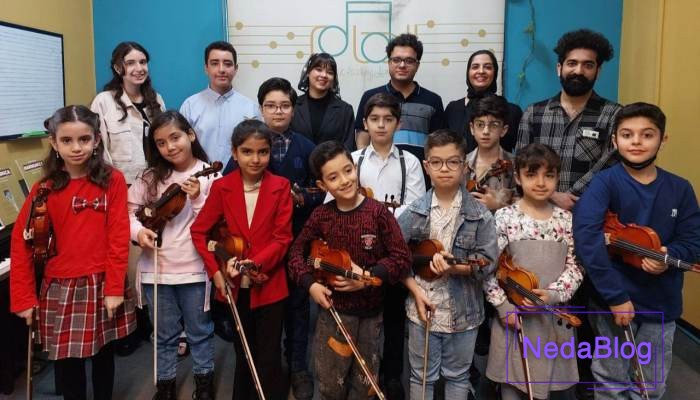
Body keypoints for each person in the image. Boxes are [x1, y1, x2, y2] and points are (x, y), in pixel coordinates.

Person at [573, 103, 700, 399]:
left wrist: (668, 256)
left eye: (647, 135)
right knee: (611, 379)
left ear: (662, 140)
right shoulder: (604, 183)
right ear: (615, 140)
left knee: (651, 384)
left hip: (661, 301)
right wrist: (616, 297)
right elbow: (588, 240)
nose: (637, 142)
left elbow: (693, 240)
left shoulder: (680, 188)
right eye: (627, 134)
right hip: (614, 298)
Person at [11, 105, 136, 400]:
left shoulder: (113, 180)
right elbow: (21, 242)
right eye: (67, 140)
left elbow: (118, 236)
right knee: (67, 364)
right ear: (54, 143)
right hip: (61, 285)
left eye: (84, 139)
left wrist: (114, 288)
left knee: (104, 355)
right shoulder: (44, 188)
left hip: (102, 281)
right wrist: (24, 298)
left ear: (96, 140)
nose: (76, 148)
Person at [287, 140, 412, 399]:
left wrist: (367, 277)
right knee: (331, 383)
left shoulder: (378, 213)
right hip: (333, 314)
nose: (344, 180)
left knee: (365, 383)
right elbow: (295, 254)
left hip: (371, 314)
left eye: (347, 170)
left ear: (355, 167)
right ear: (322, 185)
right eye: (333, 177)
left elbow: (401, 257)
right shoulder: (321, 215)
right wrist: (311, 285)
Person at [191, 119, 293, 400]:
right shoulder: (222, 187)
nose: (255, 159)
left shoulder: (281, 186)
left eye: (263, 152)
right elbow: (198, 232)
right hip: (234, 287)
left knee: (269, 354)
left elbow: (282, 238)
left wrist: (253, 263)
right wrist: (215, 272)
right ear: (234, 153)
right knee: (243, 352)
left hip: (270, 286)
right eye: (247, 152)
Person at [398, 129, 498, 399]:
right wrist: (416, 291)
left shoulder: (480, 215)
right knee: (421, 377)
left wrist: (454, 268)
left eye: (453, 162)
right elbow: (397, 259)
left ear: (464, 167)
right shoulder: (413, 212)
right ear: (426, 166)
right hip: (421, 310)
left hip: (464, 313)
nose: (444, 169)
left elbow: (488, 263)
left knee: (458, 376)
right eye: (437, 162)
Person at [128, 111, 218, 400]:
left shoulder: (210, 174)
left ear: (190, 135)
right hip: (156, 269)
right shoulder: (150, 177)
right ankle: (164, 384)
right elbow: (129, 212)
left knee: (199, 331)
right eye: (161, 143)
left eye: (175, 137)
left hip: (194, 268)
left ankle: (204, 382)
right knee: (164, 334)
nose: (170, 147)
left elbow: (215, 224)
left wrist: (198, 198)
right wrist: (139, 232)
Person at [484, 143, 584, 399]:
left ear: (557, 178)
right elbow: (488, 269)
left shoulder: (566, 220)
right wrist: (502, 306)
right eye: (531, 174)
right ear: (518, 177)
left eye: (548, 175)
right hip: (514, 318)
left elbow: (575, 266)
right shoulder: (504, 217)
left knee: (548, 387)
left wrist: (553, 295)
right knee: (511, 386)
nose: (540, 182)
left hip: (552, 318)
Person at [257, 77, 323, 400]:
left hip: (298, 240)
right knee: (268, 309)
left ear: (294, 109)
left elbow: (323, 190)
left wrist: (303, 198)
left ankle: (298, 367)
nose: (278, 111)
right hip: (261, 244)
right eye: (271, 105)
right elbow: (229, 185)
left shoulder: (306, 147)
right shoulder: (252, 144)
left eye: (284, 105)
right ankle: (270, 370)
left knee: (298, 307)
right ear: (261, 109)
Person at [516, 29, 621, 211]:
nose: (578, 71)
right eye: (572, 63)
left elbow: (610, 166)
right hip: (538, 213)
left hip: (590, 212)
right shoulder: (534, 113)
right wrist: (552, 195)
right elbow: (520, 165)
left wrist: (570, 197)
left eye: (588, 65)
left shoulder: (614, 114)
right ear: (559, 68)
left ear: (598, 71)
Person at [355, 33, 444, 157]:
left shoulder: (433, 100)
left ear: (417, 65)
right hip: (377, 167)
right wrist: (363, 163)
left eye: (409, 61)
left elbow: (439, 144)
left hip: (420, 169)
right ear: (389, 62)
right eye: (396, 60)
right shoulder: (370, 96)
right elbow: (362, 137)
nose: (402, 65)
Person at [91, 41, 165, 185]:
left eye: (143, 62)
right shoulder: (103, 101)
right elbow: (99, 150)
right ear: (118, 68)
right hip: (120, 183)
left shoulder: (157, 100)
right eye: (130, 63)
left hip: (156, 182)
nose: (139, 68)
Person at [180, 41, 261, 169]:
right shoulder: (190, 106)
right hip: (199, 177)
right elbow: (182, 148)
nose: (221, 69)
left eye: (228, 64)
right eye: (215, 63)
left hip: (239, 177)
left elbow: (258, 147)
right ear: (206, 68)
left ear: (236, 69)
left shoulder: (250, 108)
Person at [445, 50, 522, 153]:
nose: (481, 71)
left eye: (488, 67)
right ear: (468, 72)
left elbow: (521, 153)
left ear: (495, 73)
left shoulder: (512, 111)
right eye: (475, 67)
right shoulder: (452, 109)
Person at [291, 53, 355, 148]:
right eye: (319, 70)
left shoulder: (345, 110)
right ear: (308, 72)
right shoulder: (293, 105)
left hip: (333, 158)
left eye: (330, 72)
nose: (324, 75)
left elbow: (349, 147)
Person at [466, 95, 516, 212]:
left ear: (503, 130)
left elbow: (527, 205)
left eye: (494, 125)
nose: (486, 131)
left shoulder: (515, 165)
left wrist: (499, 205)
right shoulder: (462, 163)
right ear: (472, 128)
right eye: (480, 125)